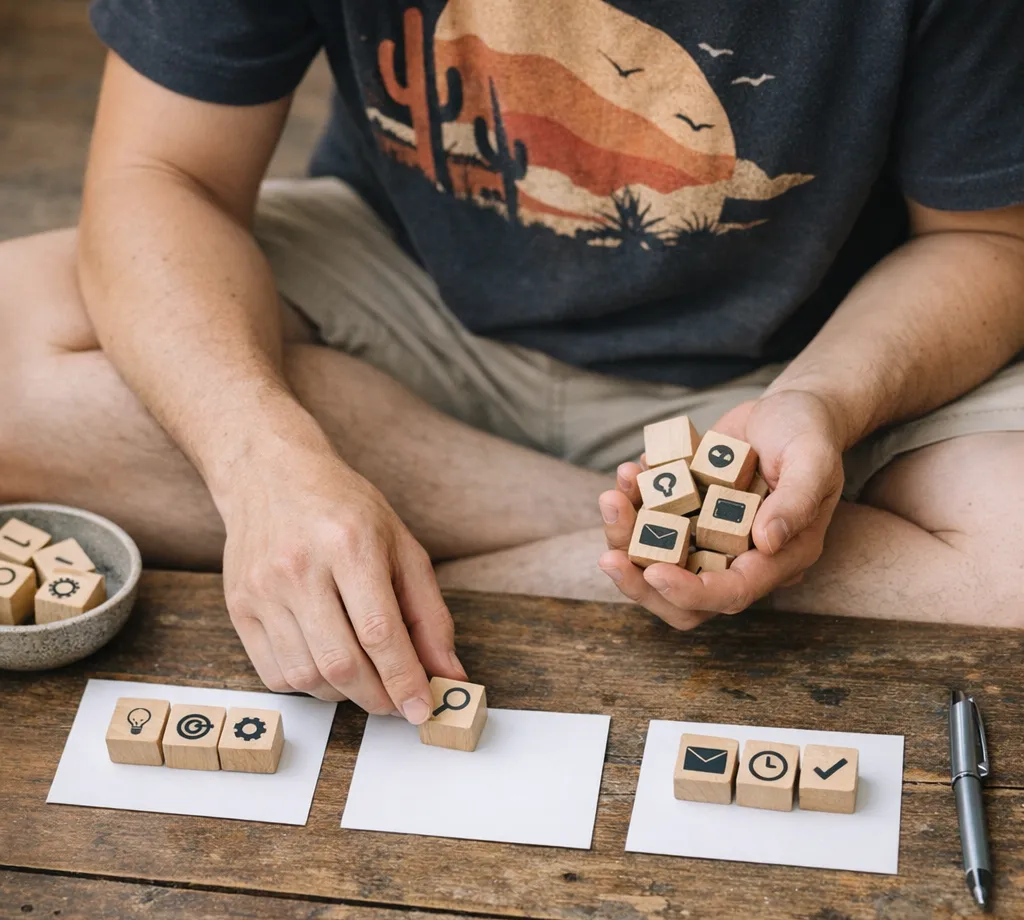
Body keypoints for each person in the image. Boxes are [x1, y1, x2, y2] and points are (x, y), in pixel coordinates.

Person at [2, 1, 1022, 720]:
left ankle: (408, 550)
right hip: (410, 297)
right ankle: (654, 533)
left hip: (808, 354)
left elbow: (986, 241)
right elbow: (161, 173)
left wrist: (824, 403)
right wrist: (260, 460)